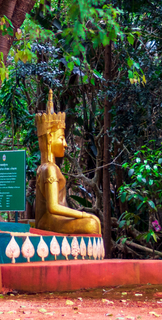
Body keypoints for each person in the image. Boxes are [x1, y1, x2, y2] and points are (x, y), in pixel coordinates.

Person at [34, 91, 101, 234]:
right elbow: (53, 207)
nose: (65, 144)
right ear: (50, 139)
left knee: (93, 222)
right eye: (61, 138)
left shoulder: (48, 168)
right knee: (91, 224)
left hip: (55, 218)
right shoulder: (49, 169)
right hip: (49, 219)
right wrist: (83, 214)